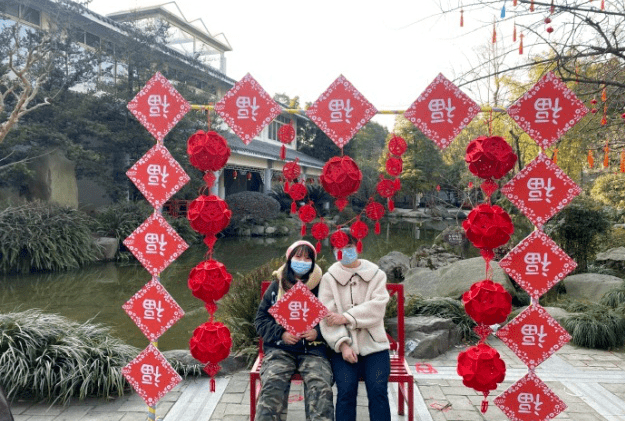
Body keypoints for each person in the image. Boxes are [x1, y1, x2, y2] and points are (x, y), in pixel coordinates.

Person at [254, 240, 334, 421]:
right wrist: (280, 333)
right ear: (289, 259)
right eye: (298, 256)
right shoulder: (276, 287)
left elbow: (333, 319)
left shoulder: (323, 288)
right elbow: (260, 320)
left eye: (307, 258)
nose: (302, 261)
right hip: (280, 350)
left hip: (313, 351)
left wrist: (318, 333)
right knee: (272, 385)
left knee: (321, 388)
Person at [319, 229, 391, 421]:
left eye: (349, 246)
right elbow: (327, 317)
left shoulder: (376, 274)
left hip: (375, 345)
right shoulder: (329, 278)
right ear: (333, 251)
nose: (344, 251)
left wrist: (346, 317)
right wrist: (342, 345)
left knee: (378, 390)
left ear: (358, 245)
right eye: (338, 248)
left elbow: (377, 308)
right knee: (346, 390)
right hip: (343, 347)